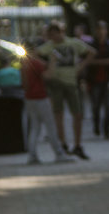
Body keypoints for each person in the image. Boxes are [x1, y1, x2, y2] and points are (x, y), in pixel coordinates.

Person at [37, 22, 95, 158]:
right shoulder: (49, 46)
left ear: (59, 32)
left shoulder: (72, 43)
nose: (51, 38)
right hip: (56, 83)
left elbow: (91, 52)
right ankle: (63, 143)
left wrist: (80, 67)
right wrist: (45, 64)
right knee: (59, 114)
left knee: (77, 114)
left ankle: (77, 144)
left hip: (71, 82)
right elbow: (33, 54)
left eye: (53, 35)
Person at [21, 40, 72, 164]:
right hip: (40, 97)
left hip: (29, 98)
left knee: (35, 127)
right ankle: (59, 154)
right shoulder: (36, 63)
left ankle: (32, 155)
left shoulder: (24, 63)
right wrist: (53, 61)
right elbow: (49, 75)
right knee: (51, 127)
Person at [82, 20, 109, 139]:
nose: (101, 32)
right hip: (94, 80)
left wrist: (95, 62)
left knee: (108, 106)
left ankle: (107, 130)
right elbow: (86, 62)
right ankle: (96, 126)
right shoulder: (90, 46)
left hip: (107, 79)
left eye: (103, 29)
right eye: (99, 29)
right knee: (95, 106)